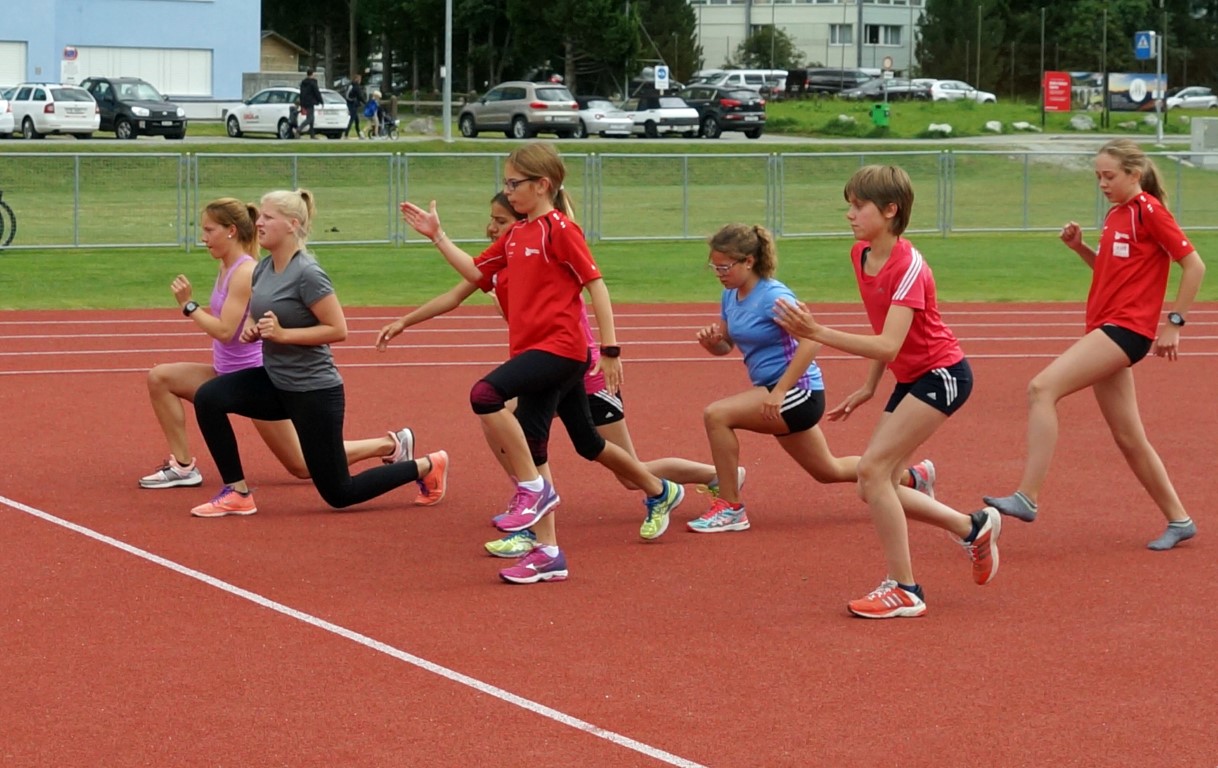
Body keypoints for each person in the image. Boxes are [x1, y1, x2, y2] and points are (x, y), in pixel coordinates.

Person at [399, 143, 686, 584]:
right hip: (537, 351)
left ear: (542, 185)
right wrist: (438, 237)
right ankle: (550, 552)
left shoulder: (560, 230)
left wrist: (610, 350)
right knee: (568, 444)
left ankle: (533, 489)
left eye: (514, 183)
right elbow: (475, 274)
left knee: (485, 395)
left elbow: (597, 286)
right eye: (506, 182)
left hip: (563, 349)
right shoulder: (517, 235)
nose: (508, 190)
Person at [773, 164, 1001, 619]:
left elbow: (888, 343)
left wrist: (817, 332)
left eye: (859, 206)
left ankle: (905, 589)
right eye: (850, 206)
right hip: (912, 377)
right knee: (871, 483)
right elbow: (884, 331)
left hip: (943, 375)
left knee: (874, 472)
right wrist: (870, 384)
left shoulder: (910, 267)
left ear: (890, 210)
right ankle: (970, 527)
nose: (850, 215)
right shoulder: (861, 254)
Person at [982, 138, 1205, 551]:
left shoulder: (1148, 210)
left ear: (1134, 175)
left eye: (1109, 176)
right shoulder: (1117, 214)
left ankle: (1027, 496)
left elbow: (1194, 265)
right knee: (1128, 437)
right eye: (1098, 176)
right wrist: (1079, 247)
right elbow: (1108, 269)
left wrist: (1175, 322)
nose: (1102, 183)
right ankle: (1180, 520)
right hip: (1107, 328)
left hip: (1126, 330)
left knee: (1041, 388)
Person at [190, 189, 448, 518]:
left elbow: (338, 329)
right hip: (276, 383)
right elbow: (259, 310)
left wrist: (283, 335)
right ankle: (237, 492)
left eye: (268, 217)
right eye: (260, 216)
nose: (259, 223)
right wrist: (254, 326)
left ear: (292, 224)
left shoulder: (308, 273)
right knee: (209, 398)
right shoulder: (264, 268)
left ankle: (427, 466)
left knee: (339, 493)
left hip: (313, 391)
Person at [141, 198, 417, 492]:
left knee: (301, 465)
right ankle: (185, 468)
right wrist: (253, 325)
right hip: (225, 373)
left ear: (231, 230)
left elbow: (225, 331)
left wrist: (189, 306)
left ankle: (389, 444)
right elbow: (250, 317)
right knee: (162, 378)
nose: (203, 237)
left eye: (209, 230)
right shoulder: (236, 267)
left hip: (253, 374)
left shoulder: (247, 271)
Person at [693, 223, 936, 536]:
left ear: (748, 261)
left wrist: (780, 391)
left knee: (717, 415)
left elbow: (811, 340)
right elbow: (726, 344)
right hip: (775, 390)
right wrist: (712, 344)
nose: (718, 273)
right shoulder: (730, 296)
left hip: (799, 392)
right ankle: (913, 477)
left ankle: (730, 508)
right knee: (827, 470)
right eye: (714, 266)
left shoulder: (774, 297)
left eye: (724, 266)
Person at [298, 69, 323, 140]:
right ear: (312, 74)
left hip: (304, 102)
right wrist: (321, 101)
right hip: (310, 102)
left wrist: (301, 103)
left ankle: (312, 134)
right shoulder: (313, 82)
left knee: (312, 118)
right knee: (310, 118)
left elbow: (301, 93)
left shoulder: (303, 83)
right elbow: (316, 92)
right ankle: (298, 129)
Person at [343, 73, 365, 139]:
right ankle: (346, 134)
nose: (360, 81)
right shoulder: (356, 87)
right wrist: (365, 103)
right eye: (359, 79)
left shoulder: (350, 85)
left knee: (356, 120)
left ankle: (359, 134)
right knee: (352, 119)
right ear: (357, 80)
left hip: (349, 103)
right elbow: (360, 96)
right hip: (353, 105)